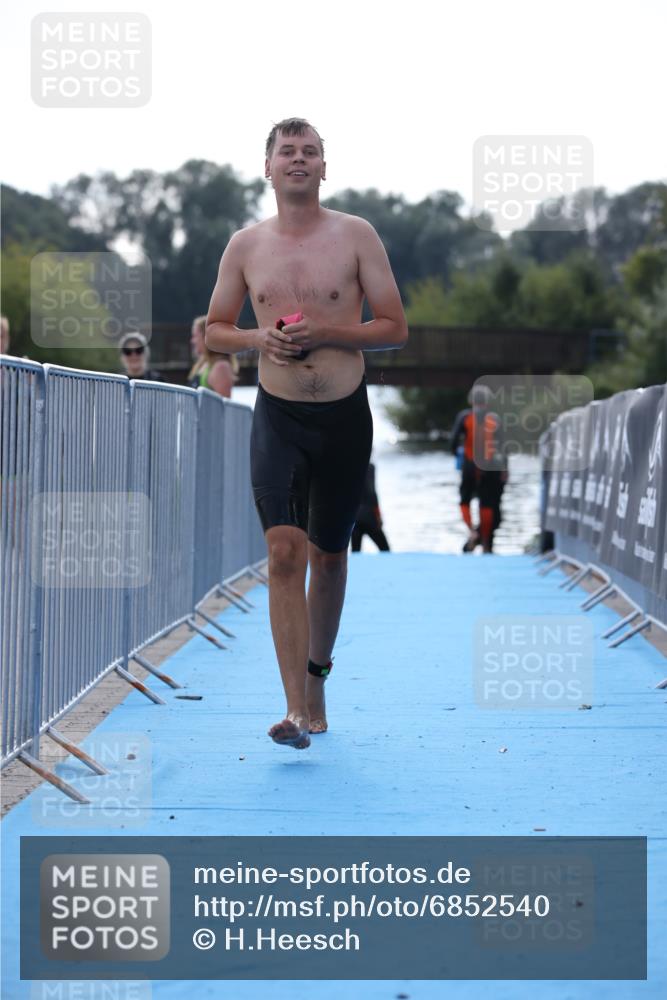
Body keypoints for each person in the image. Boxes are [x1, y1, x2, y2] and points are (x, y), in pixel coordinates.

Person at [205, 117, 407, 749]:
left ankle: (317, 678)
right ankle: (295, 709)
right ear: (267, 168)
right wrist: (256, 338)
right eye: (287, 151)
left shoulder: (356, 235)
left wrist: (327, 332)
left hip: (344, 417)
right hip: (279, 416)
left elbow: (394, 326)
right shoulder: (245, 246)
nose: (299, 159)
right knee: (284, 553)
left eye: (310, 151)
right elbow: (215, 330)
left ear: (324, 167)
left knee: (330, 557)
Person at [450, 385, 506, 554]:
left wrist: (458, 456)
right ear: (488, 402)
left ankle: (472, 532)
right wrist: (505, 469)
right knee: (487, 503)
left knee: (465, 499)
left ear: (471, 400)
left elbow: (453, 442)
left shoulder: (465, 417)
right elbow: (503, 447)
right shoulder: (494, 419)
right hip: (489, 467)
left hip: (469, 465)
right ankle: (486, 543)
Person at [188, 315, 237, 397]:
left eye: (195, 336)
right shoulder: (203, 363)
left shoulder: (221, 367)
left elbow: (223, 403)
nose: (192, 341)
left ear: (206, 337)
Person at [351, 461, 390, 552]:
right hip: (369, 517)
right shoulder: (370, 467)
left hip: (354, 517)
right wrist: (378, 516)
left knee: (355, 552)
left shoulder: (348, 467)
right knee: (385, 550)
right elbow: (371, 493)